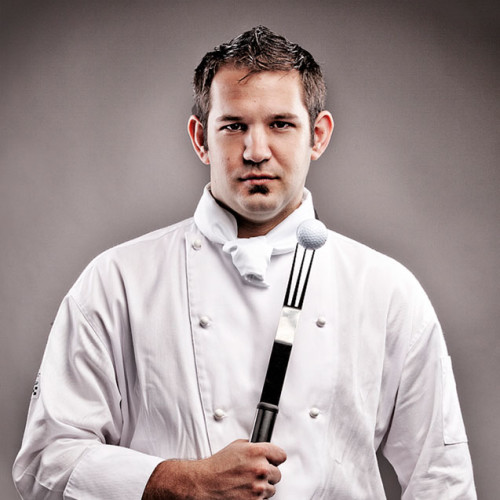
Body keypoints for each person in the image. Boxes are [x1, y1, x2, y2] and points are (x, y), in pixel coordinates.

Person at [13, 26, 476, 499]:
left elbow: (443, 480)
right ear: (201, 139)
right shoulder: (117, 281)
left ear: (317, 135)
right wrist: (185, 482)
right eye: (234, 126)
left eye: (281, 124)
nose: (256, 152)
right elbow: (45, 462)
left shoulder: (387, 289)